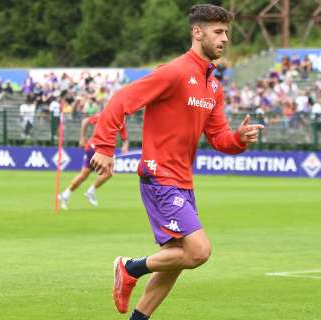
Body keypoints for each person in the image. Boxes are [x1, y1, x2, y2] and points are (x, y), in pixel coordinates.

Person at [89, 4, 263, 320]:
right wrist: (103, 146)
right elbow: (120, 101)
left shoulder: (213, 86)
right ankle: (129, 267)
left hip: (183, 181)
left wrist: (239, 138)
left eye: (227, 33)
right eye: (218, 32)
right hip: (160, 177)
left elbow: (220, 138)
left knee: (175, 260)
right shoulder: (173, 72)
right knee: (198, 252)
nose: (225, 39)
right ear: (197, 32)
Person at [58, 113, 129, 209]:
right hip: (95, 147)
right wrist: (82, 137)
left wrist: (125, 146)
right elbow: (85, 121)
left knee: (84, 175)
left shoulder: (122, 123)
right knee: (108, 172)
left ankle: (65, 194)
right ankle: (90, 191)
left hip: (99, 148)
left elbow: (125, 139)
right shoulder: (106, 115)